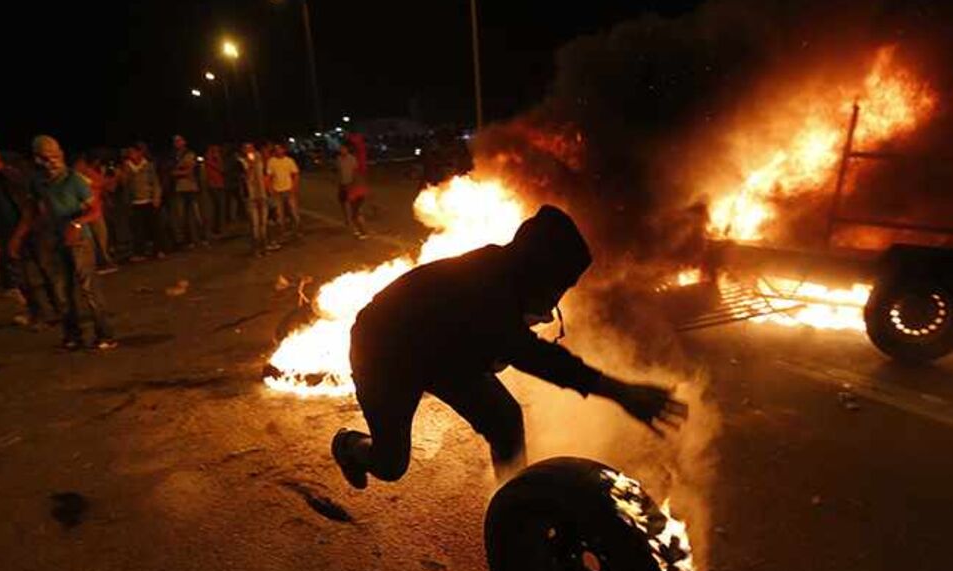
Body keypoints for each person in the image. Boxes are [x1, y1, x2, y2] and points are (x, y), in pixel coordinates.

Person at [331, 205, 688, 488]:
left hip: (446, 351)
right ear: (536, 270)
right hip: (384, 351)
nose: (555, 299)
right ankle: (348, 447)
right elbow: (531, 355)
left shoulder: (507, 274)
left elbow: (502, 341)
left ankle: (515, 511)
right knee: (391, 464)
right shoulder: (486, 289)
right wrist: (621, 392)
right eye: (555, 286)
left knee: (505, 421)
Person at [0, 127, 62, 327]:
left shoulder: (11, 159)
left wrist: (2, 169)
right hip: (5, 228)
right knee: (21, 275)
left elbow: (30, 182)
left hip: (31, 222)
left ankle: (60, 308)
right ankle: (37, 313)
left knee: (45, 267)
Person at [30, 135, 116, 351]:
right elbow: (36, 211)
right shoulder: (39, 183)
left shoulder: (74, 180)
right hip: (55, 240)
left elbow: (95, 210)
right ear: (37, 159)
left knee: (89, 289)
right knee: (61, 291)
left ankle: (104, 334)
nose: (52, 161)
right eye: (45, 157)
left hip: (79, 240)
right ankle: (72, 336)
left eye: (55, 155)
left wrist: (76, 224)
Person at [73, 154, 117, 273]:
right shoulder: (73, 177)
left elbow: (102, 185)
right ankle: (100, 262)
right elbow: (100, 185)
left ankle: (105, 261)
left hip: (94, 210)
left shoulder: (88, 173)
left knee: (101, 237)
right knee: (92, 239)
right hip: (84, 213)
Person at [120, 143, 163, 260]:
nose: (131, 155)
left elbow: (155, 182)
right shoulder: (127, 167)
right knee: (138, 229)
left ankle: (158, 250)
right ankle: (140, 252)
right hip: (135, 201)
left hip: (149, 200)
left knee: (154, 227)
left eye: (133, 152)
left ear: (139, 153)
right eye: (129, 153)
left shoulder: (148, 166)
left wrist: (156, 197)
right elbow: (124, 183)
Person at [169, 135, 206, 248]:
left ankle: (202, 237)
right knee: (182, 216)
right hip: (179, 188)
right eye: (175, 141)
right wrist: (180, 170)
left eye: (179, 140)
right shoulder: (174, 156)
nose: (177, 143)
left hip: (191, 187)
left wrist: (178, 171)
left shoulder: (189, 154)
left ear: (184, 142)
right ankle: (188, 240)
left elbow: (189, 170)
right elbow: (171, 171)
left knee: (196, 215)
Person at [238, 142, 271, 255]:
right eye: (247, 148)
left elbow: (265, 174)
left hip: (261, 194)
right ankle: (256, 248)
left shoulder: (259, 160)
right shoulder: (241, 162)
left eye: (252, 148)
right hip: (251, 196)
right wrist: (250, 164)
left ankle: (264, 246)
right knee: (255, 224)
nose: (250, 151)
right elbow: (244, 177)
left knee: (263, 223)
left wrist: (268, 189)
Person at [265, 143, 300, 242]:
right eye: (276, 149)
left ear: (284, 150)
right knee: (279, 215)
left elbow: (296, 174)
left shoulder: (289, 161)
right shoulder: (271, 161)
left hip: (289, 190)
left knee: (294, 212)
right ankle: (282, 233)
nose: (278, 151)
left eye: (280, 149)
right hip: (277, 191)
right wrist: (270, 189)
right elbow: (268, 177)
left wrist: (294, 188)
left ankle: (296, 231)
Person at [336, 142, 367, 239]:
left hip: (352, 187)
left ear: (347, 149)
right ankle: (351, 223)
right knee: (345, 204)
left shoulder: (352, 159)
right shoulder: (338, 159)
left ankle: (362, 231)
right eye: (341, 148)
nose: (342, 150)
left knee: (356, 211)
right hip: (343, 185)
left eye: (344, 148)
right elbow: (339, 172)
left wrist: (353, 184)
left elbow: (355, 172)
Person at [204, 145, 227, 238]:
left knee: (219, 207)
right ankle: (214, 228)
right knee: (214, 207)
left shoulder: (217, 159)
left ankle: (218, 228)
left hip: (219, 184)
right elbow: (219, 168)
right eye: (214, 151)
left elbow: (222, 169)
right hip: (212, 185)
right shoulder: (209, 160)